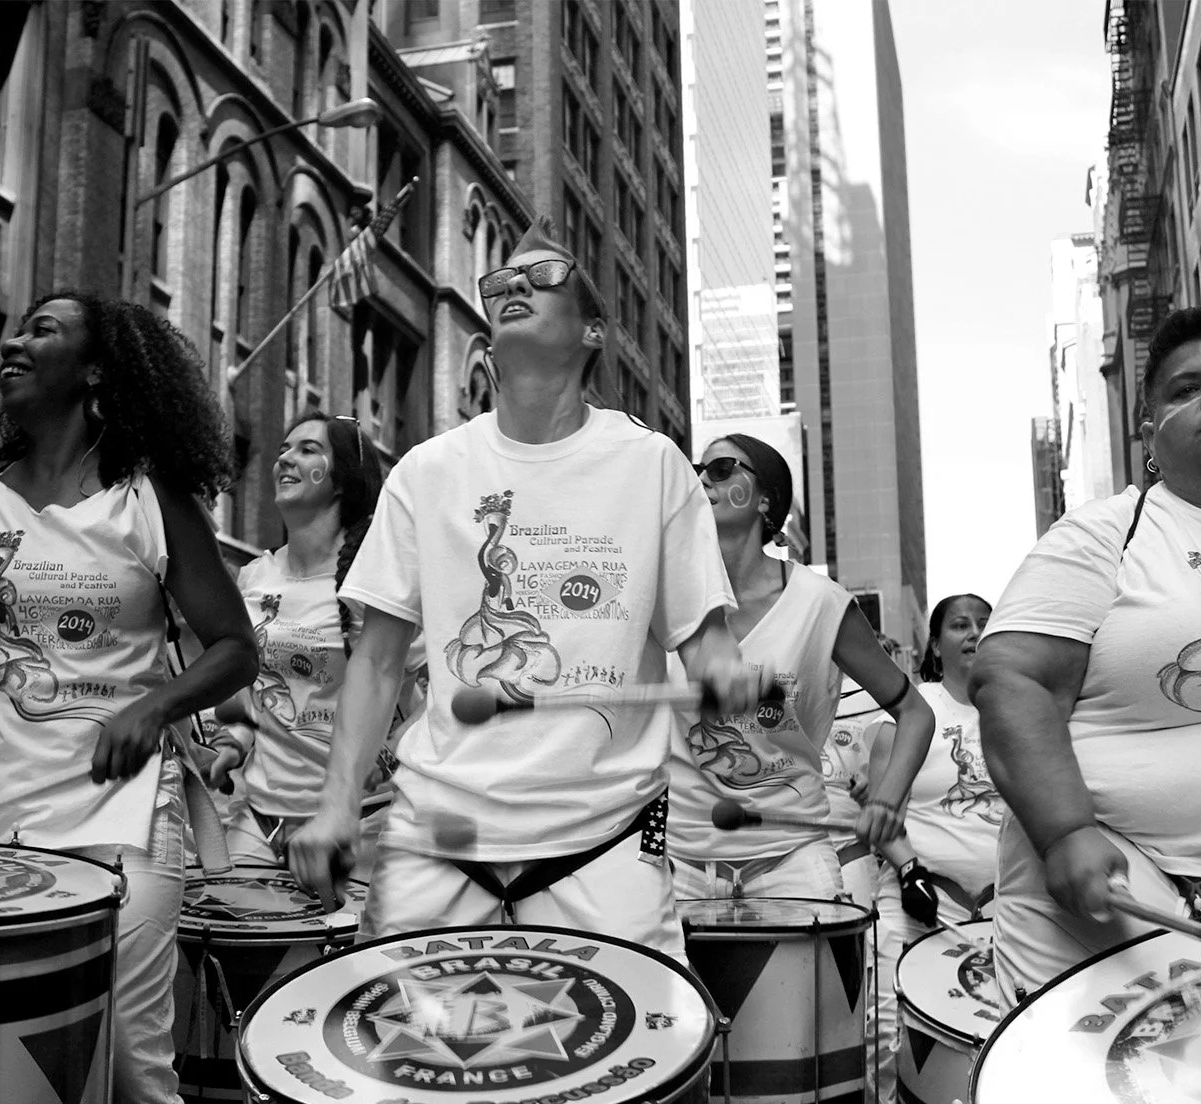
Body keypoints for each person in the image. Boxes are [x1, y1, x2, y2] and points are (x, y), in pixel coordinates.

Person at [288, 217, 763, 961]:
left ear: (594, 331)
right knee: (407, 1059)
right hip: (442, 829)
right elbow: (377, 663)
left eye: (543, 278)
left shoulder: (653, 466)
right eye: (501, 282)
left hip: (605, 835)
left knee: (638, 1065)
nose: (515, 286)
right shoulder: (427, 471)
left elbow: (702, 640)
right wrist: (337, 804)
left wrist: (726, 675)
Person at [0, 291, 258, 1104]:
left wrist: (155, 702)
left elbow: (234, 646)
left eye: (43, 330)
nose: (15, 343)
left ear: (96, 371)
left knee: (130, 1063)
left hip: (122, 823)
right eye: (17, 331)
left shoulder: (147, 500)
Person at [971, 306, 1201, 1006]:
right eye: (1184, 389)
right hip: (1133, 897)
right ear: (1149, 437)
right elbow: (1014, 681)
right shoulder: (1104, 535)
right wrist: (1066, 831)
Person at [665, 435, 934, 901]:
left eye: (723, 468)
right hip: (676, 863)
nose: (703, 478)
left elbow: (916, 712)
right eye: (696, 470)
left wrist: (888, 801)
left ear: (765, 499)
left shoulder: (819, 602)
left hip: (789, 857)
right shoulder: (664, 593)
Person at [204, 412, 421, 874]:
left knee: (345, 950)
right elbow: (262, 696)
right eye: (284, 448)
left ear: (341, 479)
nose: (286, 457)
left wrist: (391, 751)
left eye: (307, 450)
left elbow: (440, 687)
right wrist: (235, 741)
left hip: (361, 825)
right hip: (258, 820)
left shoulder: (376, 583)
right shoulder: (254, 577)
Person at [864, 593, 1001, 1104]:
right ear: (936, 645)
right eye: (960, 624)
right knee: (883, 1039)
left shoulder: (1020, 711)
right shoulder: (909, 711)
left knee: (987, 1041)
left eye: (985, 625)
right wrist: (908, 870)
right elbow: (881, 808)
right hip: (914, 900)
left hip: (1002, 909)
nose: (973, 633)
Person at [819, 634, 901, 909]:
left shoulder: (877, 695)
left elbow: (893, 765)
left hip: (852, 851)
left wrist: (874, 784)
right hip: (790, 854)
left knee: (862, 949)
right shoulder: (780, 690)